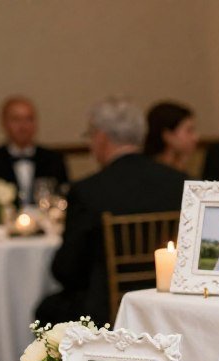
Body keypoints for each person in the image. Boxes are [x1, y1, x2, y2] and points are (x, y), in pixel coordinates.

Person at [36, 97, 185, 327]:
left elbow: (67, 270)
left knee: (47, 309)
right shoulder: (181, 183)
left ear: (101, 137)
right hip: (169, 303)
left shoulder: (88, 191)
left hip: (106, 311)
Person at [0, 96, 68, 207]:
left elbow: (64, 198)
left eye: (29, 119)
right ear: (3, 123)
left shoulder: (54, 160)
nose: (23, 126)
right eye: (16, 119)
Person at [143, 101, 198, 175]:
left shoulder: (179, 168)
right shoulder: (150, 172)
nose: (195, 137)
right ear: (167, 135)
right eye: (189, 131)